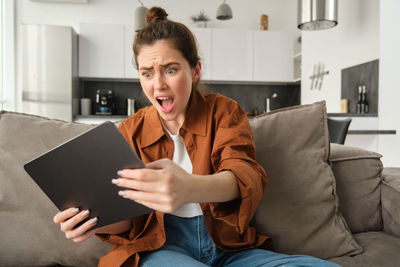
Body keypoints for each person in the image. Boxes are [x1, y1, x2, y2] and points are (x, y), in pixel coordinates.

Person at [53, 7, 340, 267]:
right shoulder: (129, 131)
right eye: (147, 73)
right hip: (161, 247)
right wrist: (94, 224)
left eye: (171, 70)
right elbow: (127, 220)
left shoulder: (224, 112)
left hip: (230, 248)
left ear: (195, 70)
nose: (158, 84)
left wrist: (190, 187)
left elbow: (245, 174)